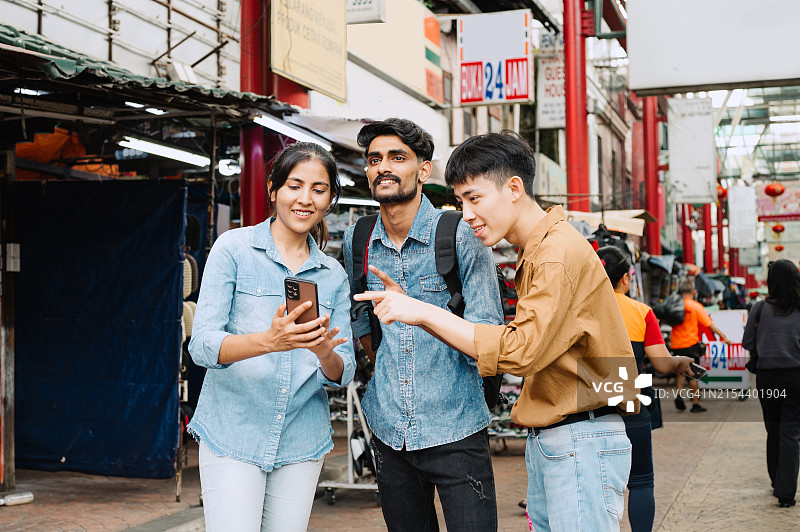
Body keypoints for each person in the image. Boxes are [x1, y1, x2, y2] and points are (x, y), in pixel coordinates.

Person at [356, 131, 640, 532]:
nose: (467, 213)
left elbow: (520, 353)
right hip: (565, 432)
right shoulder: (540, 249)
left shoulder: (555, 253)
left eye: (474, 198)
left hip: (582, 433)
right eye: (460, 202)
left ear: (513, 188)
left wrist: (422, 312)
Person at [343, 118, 503, 531]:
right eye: (375, 159)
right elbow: (359, 313)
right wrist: (379, 362)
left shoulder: (460, 234)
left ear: (423, 170)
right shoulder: (358, 239)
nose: (384, 167)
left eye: (398, 157)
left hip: (457, 427)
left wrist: (422, 312)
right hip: (388, 429)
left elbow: (489, 333)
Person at [187, 142, 356, 531]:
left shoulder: (333, 275)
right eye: (295, 186)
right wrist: (269, 341)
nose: (305, 199)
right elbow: (202, 346)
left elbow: (341, 373)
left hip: (301, 438)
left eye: (319, 189)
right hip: (233, 430)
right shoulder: (234, 249)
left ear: (330, 198)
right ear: (273, 189)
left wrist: (324, 352)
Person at [597, 246, 695, 532]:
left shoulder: (579, 310)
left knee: (594, 483)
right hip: (631, 404)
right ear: (626, 278)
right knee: (640, 480)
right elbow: (662, 364)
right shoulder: (641, 312)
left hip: (589, 407)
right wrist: (681, 361)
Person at [742, 259, 800, 508]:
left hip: (768, 378)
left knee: (773, 429)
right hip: (796, 376)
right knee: (791, 433)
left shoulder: (760, 308)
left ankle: (777, 480)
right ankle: (786, 493)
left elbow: (747, 342)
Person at [669, 279, 731, 412]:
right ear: (693, 292)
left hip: (676, 344)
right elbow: (710, 325)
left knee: (680, 371)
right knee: (693, 374)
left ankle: (679, 395)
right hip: (690, 345)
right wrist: (724, 337)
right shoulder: (695, 307)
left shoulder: (675, 305)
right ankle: (695, 404)